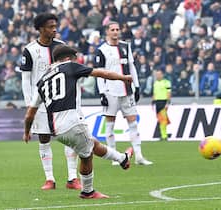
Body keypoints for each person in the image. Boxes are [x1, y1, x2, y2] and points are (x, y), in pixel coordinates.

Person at [23, 44, 133, 199]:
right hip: (72, 122)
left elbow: (29, 114)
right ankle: (88, 191)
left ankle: (122, 159)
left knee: (91, 144)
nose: (77, 60)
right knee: (86, 156)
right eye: (75, 58)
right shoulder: (70, 66)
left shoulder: (42, 81)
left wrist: (27, 133)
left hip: (55, 129)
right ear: (68, 58)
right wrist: (123, 78)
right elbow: (102, 72)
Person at [20, 13, 81, 190]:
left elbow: (71, 70)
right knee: (44, 138)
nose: (54, 29)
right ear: (40, 29)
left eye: (55, 25)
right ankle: (50, 179)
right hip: (40, 102)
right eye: (50, 26)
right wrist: (29, 104)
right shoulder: (30, 50)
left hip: (62, 100)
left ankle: (72, 178)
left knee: (70, 137)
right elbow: (26, 79)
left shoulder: (62, 47)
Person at [94, 21, 153, 165]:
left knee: (133, 124)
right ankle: (114, 157)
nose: (115, 32)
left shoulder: (125, 46)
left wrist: (137, 86)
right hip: (110, 92)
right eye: (112, 29)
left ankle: (139, 156)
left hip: (127, 91)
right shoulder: (102, 50)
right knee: (109, 126)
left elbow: (131, 67)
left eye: (117, 29)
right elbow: (99, 72)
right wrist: (102, 93)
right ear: (107, 32)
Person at [152, 69, 171, 141]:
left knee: (163, 120)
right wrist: (153, 102)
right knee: (160, 120)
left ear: (162, 75)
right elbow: (154, 93)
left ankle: (164, 135)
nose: (158, 76)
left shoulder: (167, 82)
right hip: (157, 102)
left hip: (163, 102)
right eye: (157, 74)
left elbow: (168, 93)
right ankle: (163, 135)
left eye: (159, 74)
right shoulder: (155, 83)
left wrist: (168, 102)